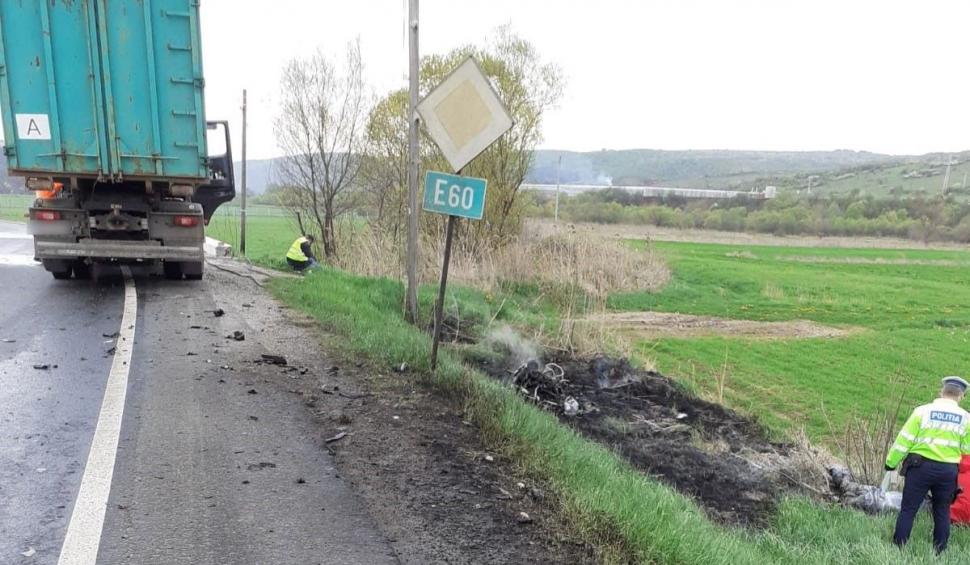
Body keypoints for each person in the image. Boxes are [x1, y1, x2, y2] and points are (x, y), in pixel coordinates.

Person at [885, 376, 970, 553]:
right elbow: (966, 449)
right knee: (942, 511)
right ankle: (939, 551)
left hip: (919, 468)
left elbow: (904, 440)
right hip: (947, 471)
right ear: (961, 396)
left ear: (941, 392)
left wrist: (891, 463)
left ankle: (898, 547)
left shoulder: (922, 411)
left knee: (908, 509)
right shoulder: (966, 419)